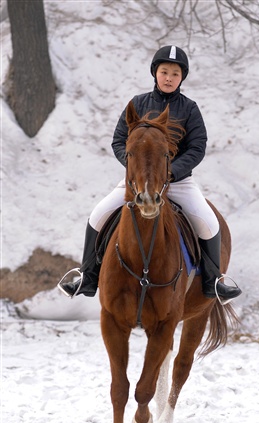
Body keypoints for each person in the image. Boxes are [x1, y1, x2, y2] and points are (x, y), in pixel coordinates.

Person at [58, 45, 241, 302]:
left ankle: (213, 283)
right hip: (138, 183)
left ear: (182, 78)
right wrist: (135, 169)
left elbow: (197, 148)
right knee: (98, 215)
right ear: (155, 73)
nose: (168, 78)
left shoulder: (189, 109)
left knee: (209, 223)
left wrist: (171, 172)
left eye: (175, 74)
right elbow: (119, 141)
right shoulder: (137, 104)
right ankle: (88, 276)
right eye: (164, 71)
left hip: (177, 182)